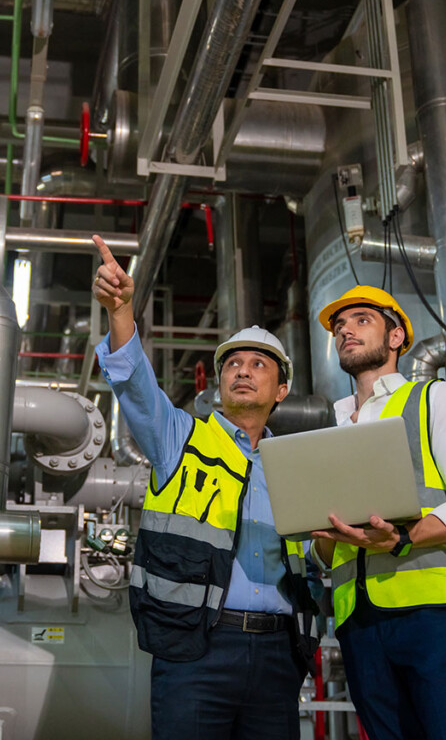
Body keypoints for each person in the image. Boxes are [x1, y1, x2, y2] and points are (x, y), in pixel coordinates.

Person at [91, 234, 319, 740]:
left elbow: (313, 556)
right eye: (232, 364)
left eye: (258, 364)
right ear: (219, 385)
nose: (243, 371)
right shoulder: (180, 438)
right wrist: (121, 312)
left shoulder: (295, 465)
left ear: (281, 389)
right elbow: (135, 386)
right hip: (196, 649)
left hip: (279, 655)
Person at [311, 285, 446, 740]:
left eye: (361, 320)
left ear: (396, 337)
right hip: (358, 623)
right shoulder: (333, 429)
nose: (345, 331)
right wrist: (322, 537)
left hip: (436, 613)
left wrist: (404, 538)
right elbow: (324, 553)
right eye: (340, 327)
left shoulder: (438, 398)